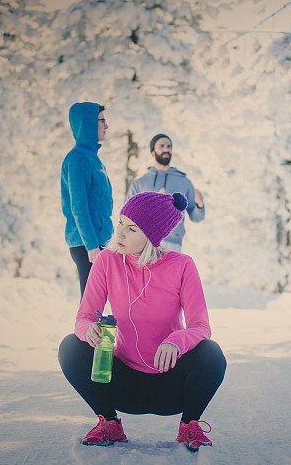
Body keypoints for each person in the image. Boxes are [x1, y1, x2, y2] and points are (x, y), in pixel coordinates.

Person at [58, 191, 226, 451]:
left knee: (212, 354)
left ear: (152, 236)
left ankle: (189, 425)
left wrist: (176, 342)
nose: (120, 234)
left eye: (132, 228)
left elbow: (200, 326)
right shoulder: (107, 261)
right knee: (70, 346)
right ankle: (109, 423)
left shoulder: (182, 265)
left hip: (170, 382)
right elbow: (84, 317)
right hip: (123, 382)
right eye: (121, 223)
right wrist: (88, 330)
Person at [60, 102, 113, 298]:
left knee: (101, 299)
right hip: (86, 244)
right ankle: (84, 330)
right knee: (91, 302)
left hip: (101, 241)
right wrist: (91, 245)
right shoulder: (77, 159)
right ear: (88, 124)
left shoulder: (92, 157)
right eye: (102, 120)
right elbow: (79, 207)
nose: (106, 125)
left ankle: (98, 330)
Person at [126, 134, 205, 252]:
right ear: (153, 151)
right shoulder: (140, 183)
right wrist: (152, 203)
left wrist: (199, 205)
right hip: (145, 243)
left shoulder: (184, 182)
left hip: (173, 245)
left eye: (169, 146)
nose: (166, 149)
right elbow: (128, 215)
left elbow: (196, 217)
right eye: (161, 146)